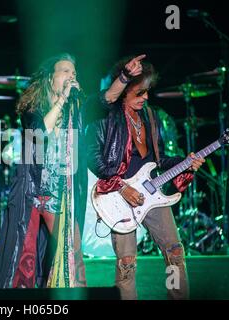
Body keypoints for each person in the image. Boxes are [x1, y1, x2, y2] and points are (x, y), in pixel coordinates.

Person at [86, 55, 205, 300]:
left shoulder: (150, 116)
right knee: (127, 264)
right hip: (117, 195)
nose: (146, 97)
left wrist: (186, 162)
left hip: (151, 194)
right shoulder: (106, 115)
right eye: (140, 93)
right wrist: (120, 187)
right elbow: (92, 158)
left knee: (174, 253)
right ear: (125, 91)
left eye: (148, 91)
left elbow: (159, 160)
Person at [0, 53, 88, 296]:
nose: (71, 76)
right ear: (50, 78)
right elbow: (40, 133)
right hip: (32, 192)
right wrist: (61, 101)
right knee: (25, 256)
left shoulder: (75, 109)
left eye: (74, 72)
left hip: (59, 194)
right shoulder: (32, 108)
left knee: (72, 253)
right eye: (65, 71)